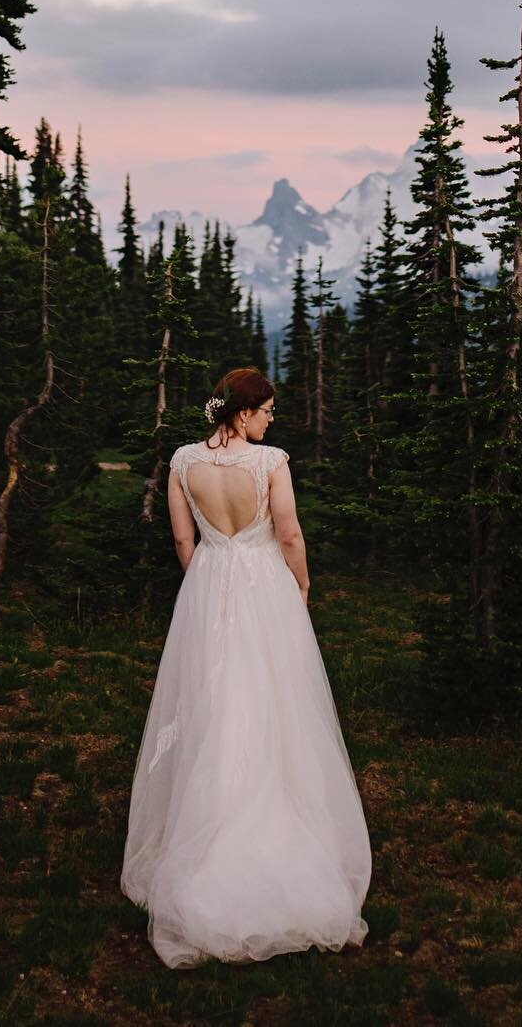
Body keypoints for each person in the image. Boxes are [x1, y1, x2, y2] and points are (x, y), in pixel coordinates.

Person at [121, 366, 372, 968]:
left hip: (209, 585)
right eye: (266, 411)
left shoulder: (184, 461)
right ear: (241, 413)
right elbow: (288, 533)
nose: (271, 420)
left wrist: (207, 585)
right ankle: (270, 820)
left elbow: (183, 541)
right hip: (265, 588)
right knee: (275, 698)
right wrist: (303, 586)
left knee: (211, 700)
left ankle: (205, 823)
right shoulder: (271, 463)